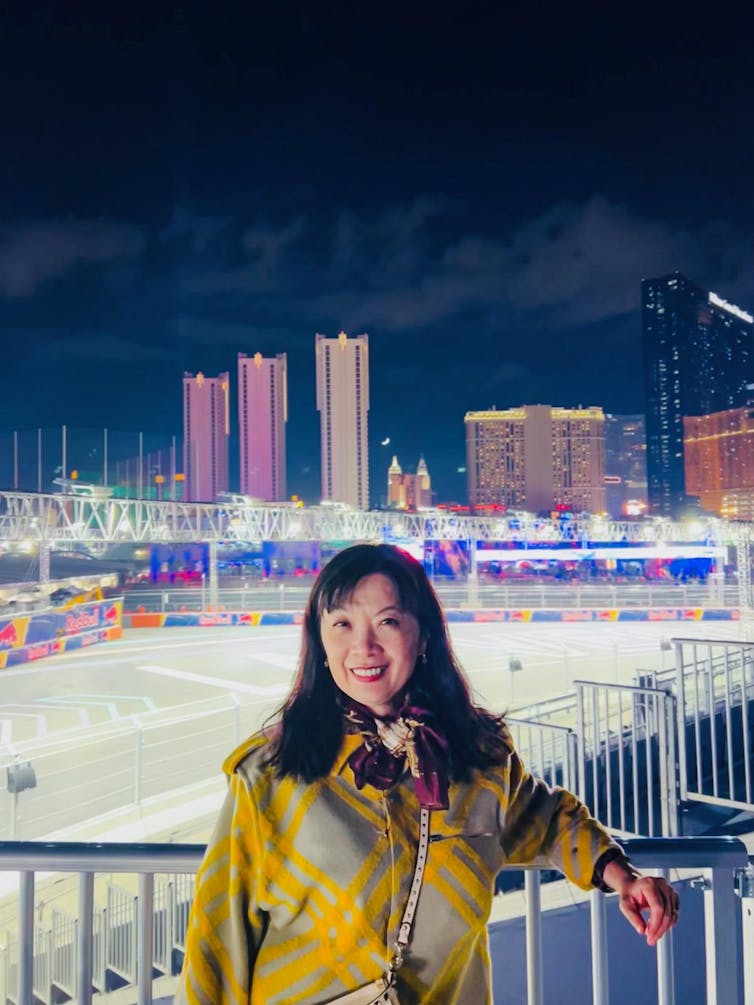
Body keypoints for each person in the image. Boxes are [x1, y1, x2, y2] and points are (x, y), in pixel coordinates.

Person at [177, 543, 679, 1005]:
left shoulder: (479, 757)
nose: (364, 647)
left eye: (388, 621)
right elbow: (218, 935)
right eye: (342, 624)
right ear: (320, 642)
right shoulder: (270, 774)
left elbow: (542, 817)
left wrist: (623, 876)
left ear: (423, 636)